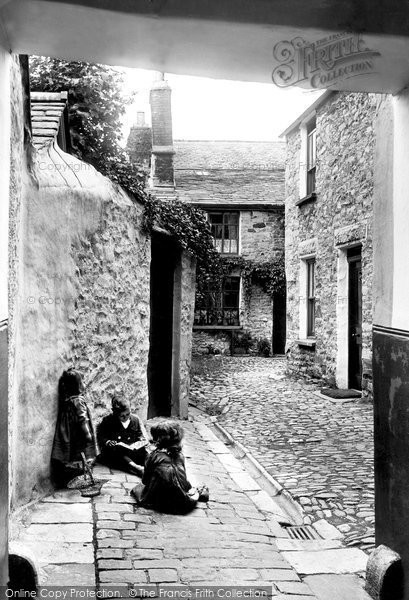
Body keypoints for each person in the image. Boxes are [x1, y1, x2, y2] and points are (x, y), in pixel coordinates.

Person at [131, 420, 209, 514]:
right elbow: (184, 481)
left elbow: (145, 480)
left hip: (160, 501)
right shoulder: (180, 456)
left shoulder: (153, 456)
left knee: (137, 489)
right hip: (183, 502)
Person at [51, 368, 98, 486]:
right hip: (79, 432)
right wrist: (87, 433)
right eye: (82, 382)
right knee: (83, 451)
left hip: (70, 432)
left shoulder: (67, 400)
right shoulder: (78, 400)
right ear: (77, 386)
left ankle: (79, 471)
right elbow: (82, 419)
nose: (84, 384)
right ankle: (83, 472)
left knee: (74, 451)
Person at [97, 397, 149, 477]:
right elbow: (101, 436)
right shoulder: (108, 421)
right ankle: (137, 468)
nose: (126, 417)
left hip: (132, 449)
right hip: (117, 452)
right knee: (118, 453)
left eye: (128, 414)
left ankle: (150, 466)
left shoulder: (135, 420)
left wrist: (141, 440)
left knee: (145, 451)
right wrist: (108, 442)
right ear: (115, 413)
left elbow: (140, 434)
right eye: (122, 416)